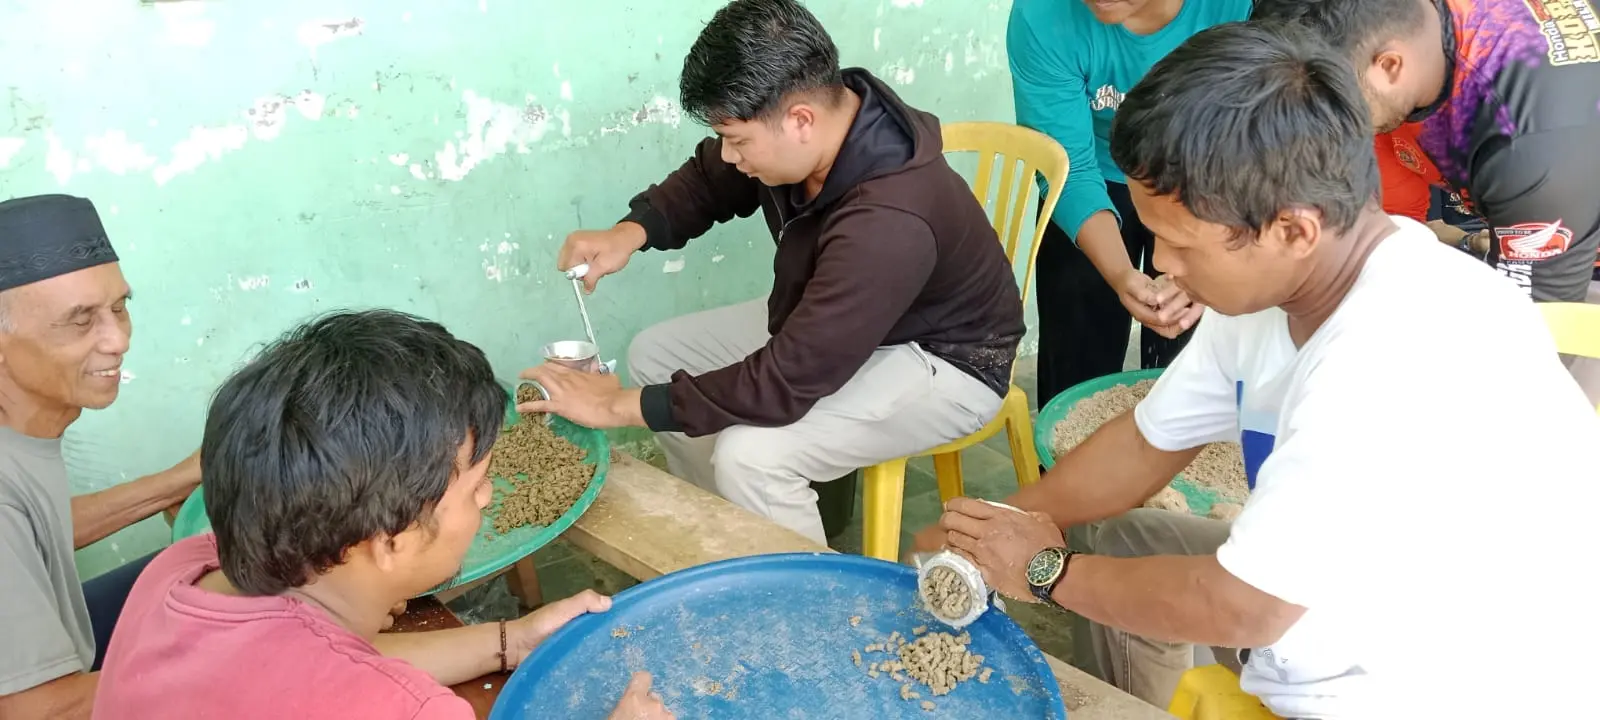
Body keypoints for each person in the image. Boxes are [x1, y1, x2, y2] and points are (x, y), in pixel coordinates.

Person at [918, 22, 1599, 718]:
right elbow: (1146, 443)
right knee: (1118, 535)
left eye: (1177, 243)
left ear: (1294, 230)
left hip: (1437, 684)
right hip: (1334, 609)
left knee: (1094, 571)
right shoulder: (1275, 293)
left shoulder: (1395, 349)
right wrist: (996, 523)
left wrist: (1042, 569)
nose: (1162, 264)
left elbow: (1249, 608)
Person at [524, 0, 1025, 543]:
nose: (729, 155)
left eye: (737, 140)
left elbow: (788, 378)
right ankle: (730, 540)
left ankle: (813, 612)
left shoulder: (889, 218)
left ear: (801, 120)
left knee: (753, 456)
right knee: (656, 354)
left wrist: (617, 406)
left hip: (944, 360)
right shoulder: (814, 127)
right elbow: (710, 178)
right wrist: (630, 232)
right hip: (839, 326)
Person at [91, 309, 672, 719]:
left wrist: (514, 639)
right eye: (475, 489)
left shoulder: (182, 570)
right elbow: (355, 683)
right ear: (388, 541)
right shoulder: (404, 710)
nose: (489, 498)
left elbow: (319, 661)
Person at [1251, 0, 1600, 302]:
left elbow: (1534, 343)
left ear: (1389, 65)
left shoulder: (1529, 148)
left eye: (1332, 102)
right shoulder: (1403, 40)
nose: (1327, 122)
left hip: (1569, 247)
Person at [0, 194, 200, 720]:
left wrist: (183, 477)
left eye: (119, 307)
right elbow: (43, 711)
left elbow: (37, 527)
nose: (118, 340)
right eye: (80, 320)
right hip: (45, 702)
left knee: (217, 566)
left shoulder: (21, 432)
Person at [1008, 0, 1250, 410]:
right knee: (1076, 369)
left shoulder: (1241, 8)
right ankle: (1069, 469)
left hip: (1207, 182)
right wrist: (1120, 274)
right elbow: (1068, 166)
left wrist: (1205, 267)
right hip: (1091, 177)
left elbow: (1253, 148)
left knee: (1193, 369)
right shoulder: (1041, 14)